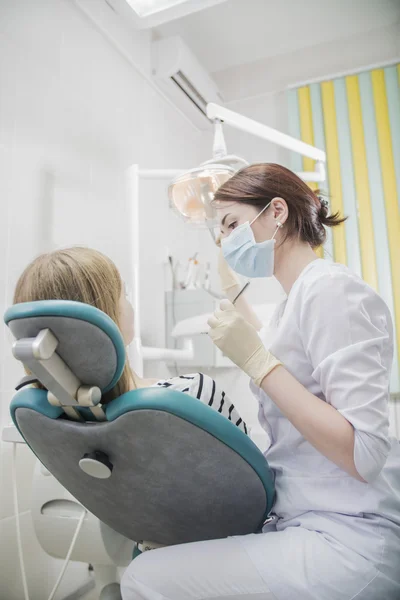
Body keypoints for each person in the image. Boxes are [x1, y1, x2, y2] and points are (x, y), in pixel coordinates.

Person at [121, 163, 400, 600]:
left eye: (232, 223)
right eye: (221, 232)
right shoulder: (299, 298)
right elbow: (279, 342)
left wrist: (257, 363)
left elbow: (364, 453)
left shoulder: (331, 291)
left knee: (142, 577)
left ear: (276, 211)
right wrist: (231, 292)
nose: (226, 239)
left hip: (349, 537)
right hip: (308, 520)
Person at [12, 247, 247, 434]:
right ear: (103, 321)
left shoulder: (48, 417)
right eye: (123, 294)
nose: (129, 303)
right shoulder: (192, 393)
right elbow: (255, 480)